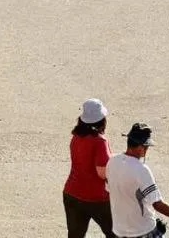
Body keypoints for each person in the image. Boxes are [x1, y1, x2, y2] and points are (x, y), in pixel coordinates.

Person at [106, 123, 169, 235]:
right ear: (141, 147)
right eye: (146, 147)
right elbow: (157, 205)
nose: (147, 150)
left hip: (120, 230)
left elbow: (110, 190)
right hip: (142, 231)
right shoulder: (141, 170)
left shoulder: (112, 161)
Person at [63, 99, 114, 238]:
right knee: (116, 234)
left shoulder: (76, 137)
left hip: (71, 193)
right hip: (97, 198)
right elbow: (102, 173)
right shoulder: (100, 141)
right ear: (101, 120)